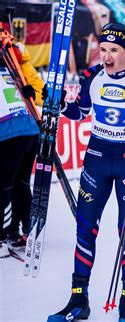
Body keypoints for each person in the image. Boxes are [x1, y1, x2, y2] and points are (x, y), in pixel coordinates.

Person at [47, 22, 125, 322]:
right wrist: (60, 104)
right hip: (96, 159)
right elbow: (79, 112)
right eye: (103, 49)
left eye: (114, 50)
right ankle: (78, 300)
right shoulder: (91, 77)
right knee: (85, 229)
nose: (107, 56)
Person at [0, 43, 44, 257]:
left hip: (11, 133)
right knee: (20, 183)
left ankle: (4, 237)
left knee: (4, 187)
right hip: (30, 130)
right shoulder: (14, 70)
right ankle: (23, 232)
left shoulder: (13, 69)